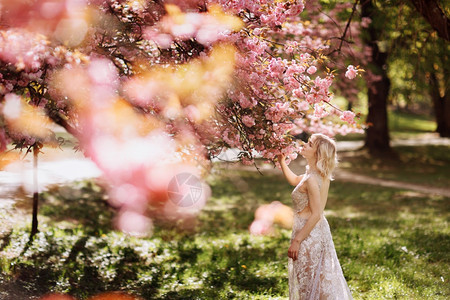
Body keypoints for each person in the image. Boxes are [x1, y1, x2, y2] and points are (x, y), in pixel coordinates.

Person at [278, 133, 353, 300]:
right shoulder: (314, 174)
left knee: (310, 285)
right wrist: (282, 161)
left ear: (318, 153)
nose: (304, 145)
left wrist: (297, 240)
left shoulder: (312, 179)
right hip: (314, 231)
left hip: (308, 233)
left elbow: (317, 213)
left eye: (310, 144)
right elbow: (295, 180)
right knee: (317, 282)